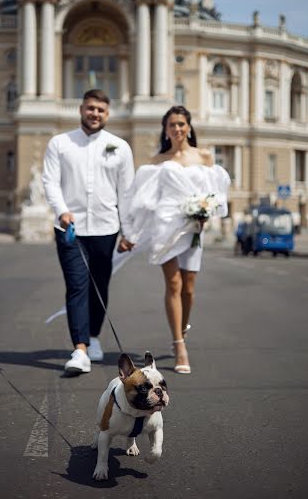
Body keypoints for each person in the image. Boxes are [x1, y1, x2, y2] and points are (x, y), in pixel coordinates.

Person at [119, 106, 230, 374]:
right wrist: (131, 233)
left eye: (181, 124)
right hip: (165, 225)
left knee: (189, 288)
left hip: (193, 226)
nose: (177, 129)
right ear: (166, 130)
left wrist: (207, 211)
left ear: (189, 127)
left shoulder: (203, 156)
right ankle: (179, 344)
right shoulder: (157, 160)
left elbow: (215, 191)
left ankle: (182, 328)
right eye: (172, 125)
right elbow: (143, 198)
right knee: (174, 283)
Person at [42, 89, 135, 375]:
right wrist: (61, 211)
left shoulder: (120, 147)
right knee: (77, 285)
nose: (95, 113)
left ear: (108, 114)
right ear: (81, 109)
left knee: (100, 286)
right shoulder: (60, 143)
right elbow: (50, 182)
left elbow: (127, 192)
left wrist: (128, 232)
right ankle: (80, 349)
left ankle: (93, 336)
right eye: (91, 108)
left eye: (101, 110)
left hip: (106, 228)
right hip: (70, 228)